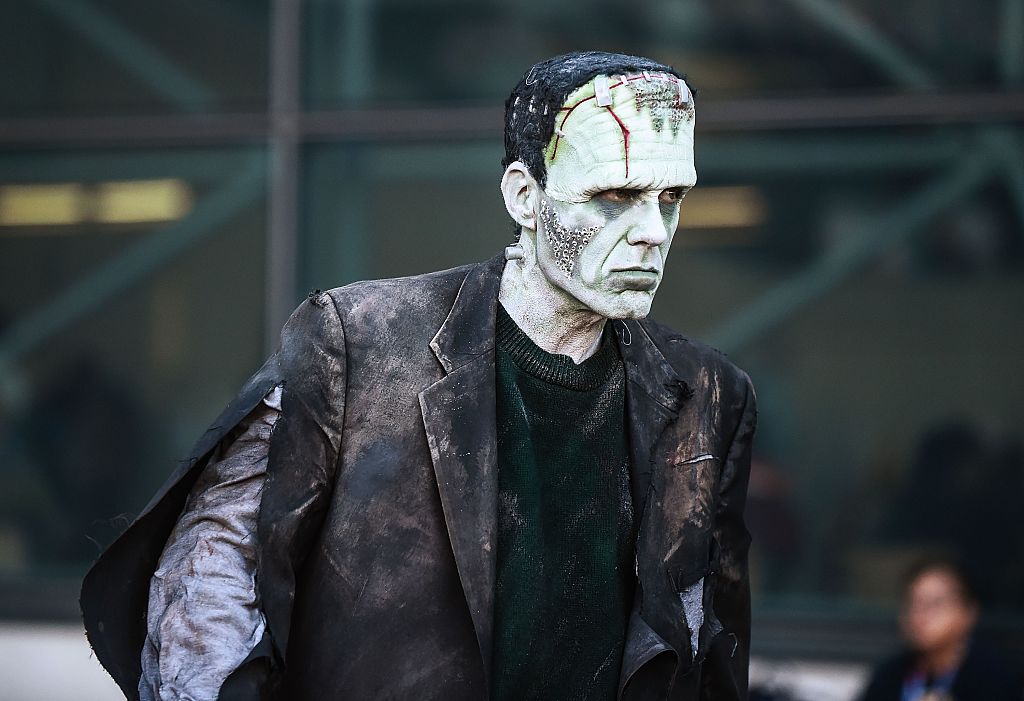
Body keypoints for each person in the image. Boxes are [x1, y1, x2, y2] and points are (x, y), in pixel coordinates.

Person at [81, 51, 757, 701]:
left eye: (670, 196)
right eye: (616, 193)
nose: (653, 230)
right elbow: (211, 580)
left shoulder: (709, 393)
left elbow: (714, 651)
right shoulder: (358, 340)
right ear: (525, 195)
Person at [860, 558, 1021, 701]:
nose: (920, 615)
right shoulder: (890, 675)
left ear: (968, 612)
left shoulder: (995, 677)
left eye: (934, 604)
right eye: (913, 603)